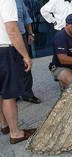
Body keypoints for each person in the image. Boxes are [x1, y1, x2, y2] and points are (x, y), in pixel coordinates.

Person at [0, 0, 36, 144]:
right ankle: (15, 133)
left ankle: (4, 124)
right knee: (9, 93)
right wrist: (25, 55)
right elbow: (12, 30)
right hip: (4, 50)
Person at [15, 0, 41, 104]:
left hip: (21, 36)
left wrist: (30, 34)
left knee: (26, 65)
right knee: (11, 67)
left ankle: (27, 94)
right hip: (6, 40)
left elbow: (27, 18)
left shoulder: (19, 2)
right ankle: (14, 94)